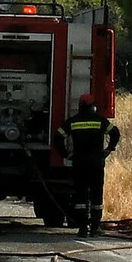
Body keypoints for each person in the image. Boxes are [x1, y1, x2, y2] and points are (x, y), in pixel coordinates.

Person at [55, 93, 121, 236]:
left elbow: (58, 137)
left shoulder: (73, 122)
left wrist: (66, 154)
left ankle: (83, 227)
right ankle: (96, 227)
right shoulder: (100, 121)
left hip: (79, 163)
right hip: (96, 163)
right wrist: (109, 149)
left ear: (80, 106)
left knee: (80, 195)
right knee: (96, 195)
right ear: (93, 107)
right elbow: (115, 133)